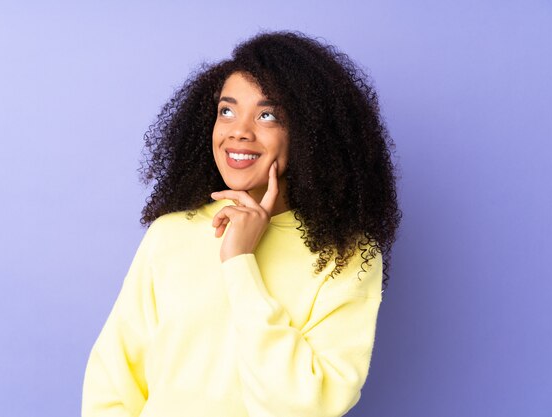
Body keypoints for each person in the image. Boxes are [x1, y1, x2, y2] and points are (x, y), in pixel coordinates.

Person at [81, 30, 401, 417]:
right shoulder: (171, 233)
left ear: (309, 134)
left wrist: (239, 261)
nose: (239, 131)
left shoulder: (345, 254)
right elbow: (113, 384)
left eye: (267, 115)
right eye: (227, 111)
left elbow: (306, 406)